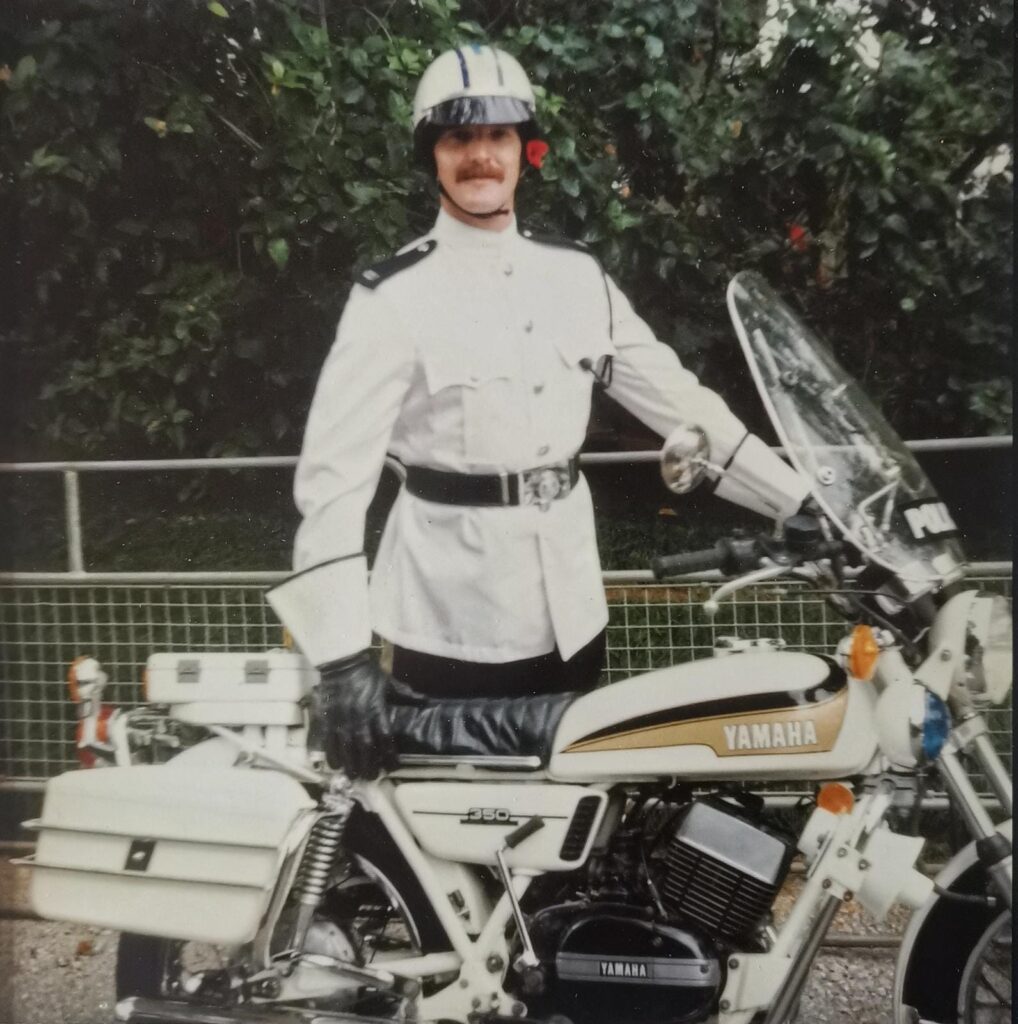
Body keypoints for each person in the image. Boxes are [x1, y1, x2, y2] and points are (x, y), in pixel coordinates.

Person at [268, 44, 809, 779]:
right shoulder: (393, 297)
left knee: (575, 814)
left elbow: (677, 400)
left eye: (498, 135)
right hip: (450, 625)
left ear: (526, 151)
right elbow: (333, 481)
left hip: (569, 614)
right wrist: (339, 658)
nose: (480, 156)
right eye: (458, 138)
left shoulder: (575, 276)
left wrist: (796, 502)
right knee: (457, 825)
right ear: (432, 156)